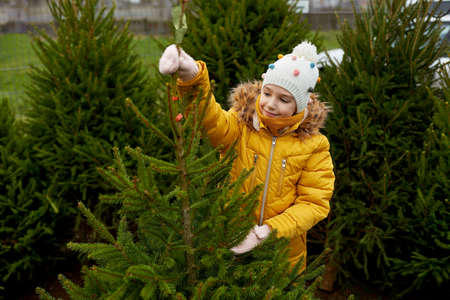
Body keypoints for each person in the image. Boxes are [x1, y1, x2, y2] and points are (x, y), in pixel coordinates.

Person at [159, 41, 335, 271]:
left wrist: (270, 231)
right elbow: (211, 121)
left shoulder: (314, 146)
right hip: (231, 238)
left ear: (300, 105)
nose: (270, 104)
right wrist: (192, 76)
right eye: (267, 93)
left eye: (283, 99)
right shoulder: (241, 124)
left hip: (282, 254)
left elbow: (314, 203)